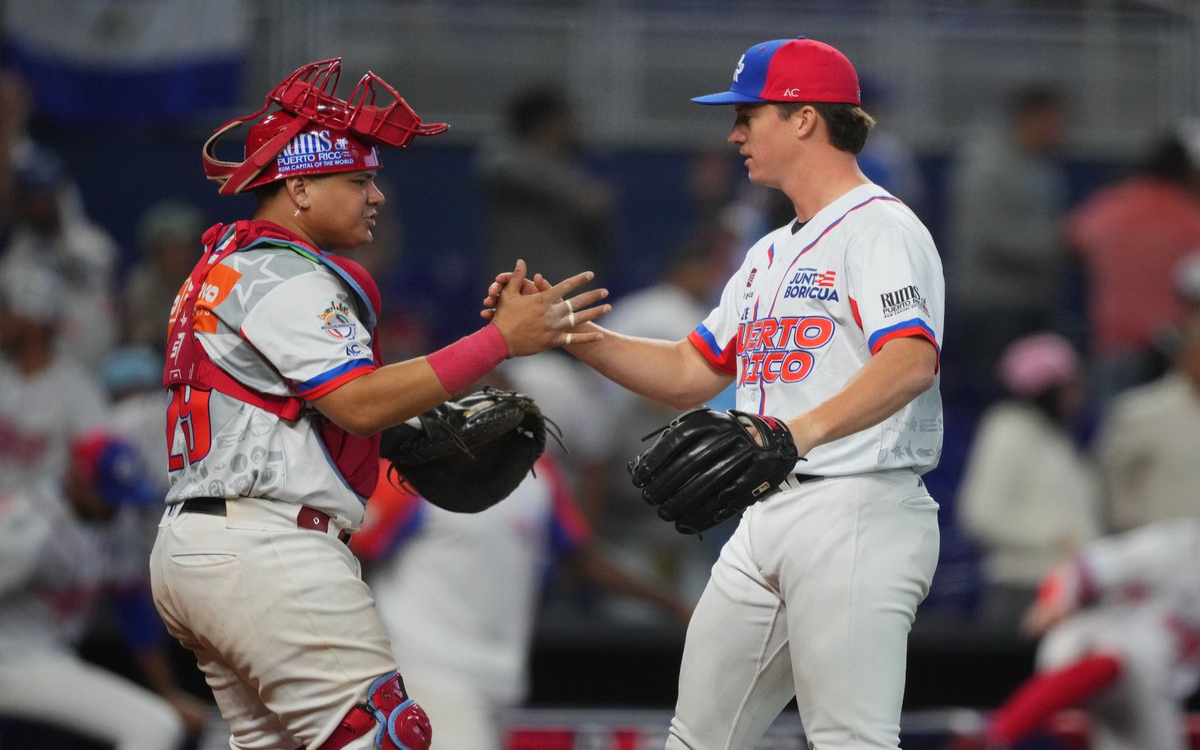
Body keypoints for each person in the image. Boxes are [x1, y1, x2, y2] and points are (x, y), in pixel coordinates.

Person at [486, 35, 944, 750]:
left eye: (747, 114)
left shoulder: (880, 227)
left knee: (851, 740)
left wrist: (797, 432)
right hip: (768, 515)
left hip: (860, 505)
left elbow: (912, 360)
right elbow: (690, 372)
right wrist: (571, 333)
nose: (734, 133)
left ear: (801, 117)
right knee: (697, 739)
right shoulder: (768, 251)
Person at [147, 59, 610, 750]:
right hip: (268, 547)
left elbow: (305, 413)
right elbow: (359, 404)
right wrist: (498, 342)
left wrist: (393, 433)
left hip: (208, 545)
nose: (376, 196)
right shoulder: (285, 273)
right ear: (299, 188)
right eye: (358, 180)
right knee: (387, 737)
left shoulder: (227, 265)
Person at [353, 448, 693, 750]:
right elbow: (354, 557)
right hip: (424, 672)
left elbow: (580, 560)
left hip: (501, 681)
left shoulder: (536, 469)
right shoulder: (414, 469)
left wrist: (673, 605)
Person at [0, 432, 210, 750]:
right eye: (106, 493)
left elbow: (132, 607)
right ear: (79, 480)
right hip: (15, 661)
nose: (116, 504)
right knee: (156, 729)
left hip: (53, 654)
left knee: (169, 720)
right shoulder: (28, 527)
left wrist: (169, 693)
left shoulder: (112, 516)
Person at [946, 518, 1200, 750]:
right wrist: (1051, 601)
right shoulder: (1174, 547)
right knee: (1125, 657)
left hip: (1149, 689)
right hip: (1089, 637)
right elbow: (1081, 568)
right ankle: (992, 737)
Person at [956, 332, 1104, 633]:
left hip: (1064, 588)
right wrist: (1056, 537)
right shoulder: (1008, 429)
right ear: (1045, 388)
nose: (1078, 395)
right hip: (1023, 589)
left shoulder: (1057, 439)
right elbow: (980, 513)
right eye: (1069, 386)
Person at [946, 84, 1071, 401]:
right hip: (994, 308)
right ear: (1029, 118)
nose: (1061, 131)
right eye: (1054, 121)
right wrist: (1060, 243)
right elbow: (990, 235)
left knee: (1034, 404)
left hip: (1033, 302)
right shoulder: (987, 166)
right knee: (997, 403)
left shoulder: (1043, 167)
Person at [1065, 126, 1200, 410]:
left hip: (1116, 346)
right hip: (1172, 351)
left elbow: (1071, 240)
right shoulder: (1190, 216)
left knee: (1114, 438)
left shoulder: (1110, 206)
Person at [475, 84, 616, 287]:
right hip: (518, 286)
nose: (577, 126)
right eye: (568, 120)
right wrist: (577, 197)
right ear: (548, 123)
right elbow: (499, 170)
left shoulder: (575, 173)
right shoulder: (506, 158)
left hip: (565, 286)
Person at [0, 260, 108, 495]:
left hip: (41, 524)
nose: (2, 319)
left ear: (34, 318)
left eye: (8, 310)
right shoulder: (4, 374)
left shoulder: (77, 389)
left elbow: (97, 467)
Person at [1094, 312, 1200, 532]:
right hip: (1157, 549)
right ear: (1186, 354)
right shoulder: (1141, 412)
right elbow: (1112, 480)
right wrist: (1132, 532)